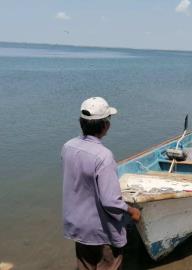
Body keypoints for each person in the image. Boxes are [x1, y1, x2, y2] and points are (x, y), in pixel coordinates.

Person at [61, 97, 141, 270]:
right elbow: (110, 201)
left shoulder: (68, 147)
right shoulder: (103, 156)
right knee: (110, 264)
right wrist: (131, 210)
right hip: (100, 230)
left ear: (81, 123)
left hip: (78, 225)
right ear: (106, 126)